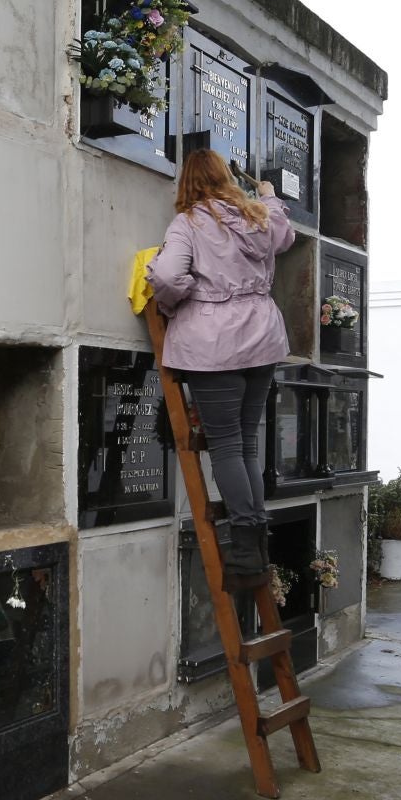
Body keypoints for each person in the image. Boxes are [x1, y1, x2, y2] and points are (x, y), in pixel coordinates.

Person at [146, 149, 294, 583]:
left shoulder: (188, 223)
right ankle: (257, 546)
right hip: (262, 338)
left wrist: (182, 300)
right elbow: (282, 234)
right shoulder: (258, 217)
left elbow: (169, 277)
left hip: (213, 346)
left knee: (226, 446)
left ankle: (247, 554)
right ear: (227, 178)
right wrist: (269, 196)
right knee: (247, 444)